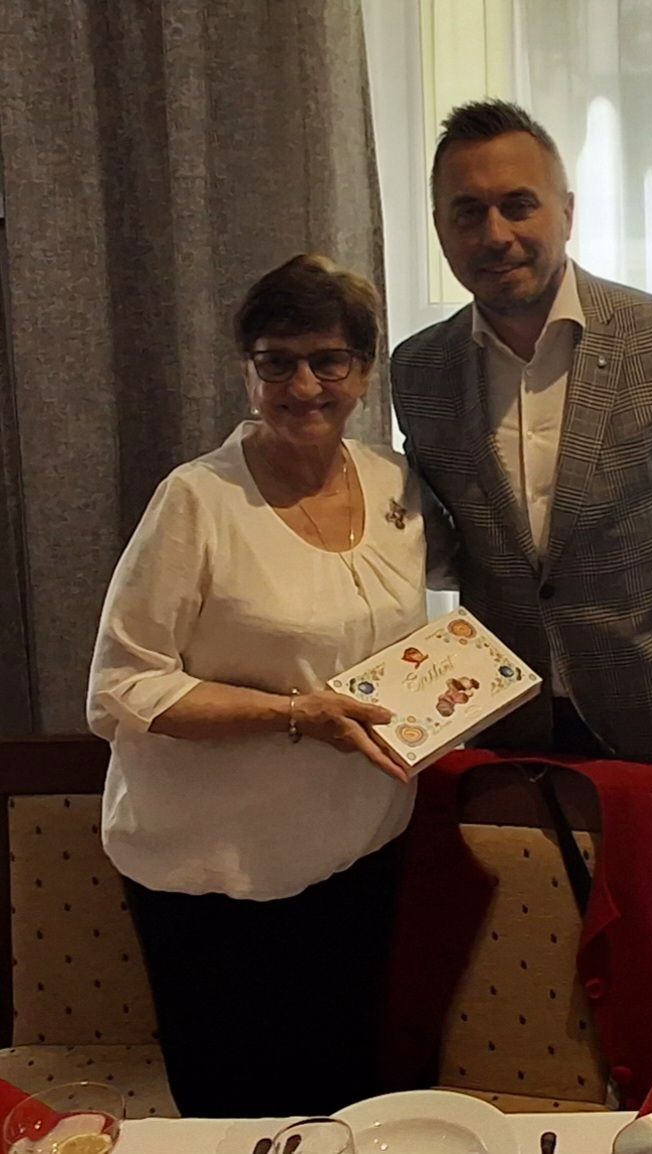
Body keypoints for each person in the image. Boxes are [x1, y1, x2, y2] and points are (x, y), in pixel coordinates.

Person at [390, 99, 652, 1032]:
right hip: (509, 724)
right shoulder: (420, 370)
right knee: (535, 977)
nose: (496, 233)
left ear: (566, 210)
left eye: (518, 204)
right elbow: (437, 537)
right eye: (468, 212)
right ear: (441, 229)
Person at [87, 255, 427, 1117]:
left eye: (328, 361)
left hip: (361, 849)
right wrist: (294, 714)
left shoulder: (393, 483)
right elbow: (123, 685)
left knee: (344, 1099)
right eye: (277, 362)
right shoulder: (196, 501)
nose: (303, 386)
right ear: (248, 372)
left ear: (364, 371)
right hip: (216, 874)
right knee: (237, 1114)